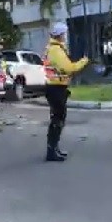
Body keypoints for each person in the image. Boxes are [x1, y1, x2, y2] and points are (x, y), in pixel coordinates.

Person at [44, 22, 89, 161]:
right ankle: (51, 151)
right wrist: (83, 61)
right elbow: (68, 68)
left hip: (55, 87)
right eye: (64, 34)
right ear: (60, 35)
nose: (66, 36)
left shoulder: (53, 48)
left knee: (58, 119)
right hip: (55, 88)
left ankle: (54, 148)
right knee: (57, 119)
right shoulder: (56, 50)